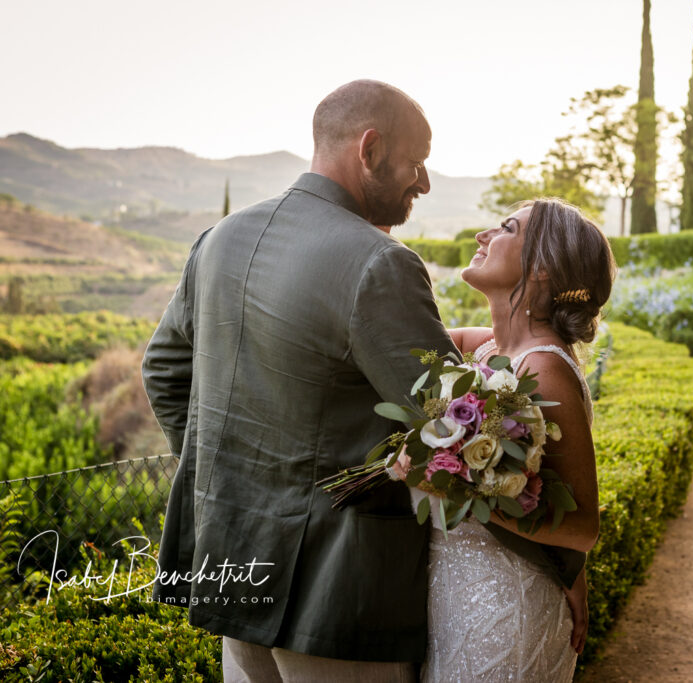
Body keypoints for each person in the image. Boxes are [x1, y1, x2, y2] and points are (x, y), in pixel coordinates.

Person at [142, 80, 459, 682]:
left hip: (230, 565)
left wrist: (221, 471)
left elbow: (163, 369)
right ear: (369, 150)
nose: (424, 182)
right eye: (416, 163)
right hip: (338, 587)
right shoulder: (380, 262)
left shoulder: (219, 238)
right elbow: (451, 418)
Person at [394, 198, 616, 682]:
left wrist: (448, 482)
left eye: (505, 228)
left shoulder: (544, 367)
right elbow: (400, 336)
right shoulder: (493, 347)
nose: (483, 236)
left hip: (501, 607)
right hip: (453, 593)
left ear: (542, 268)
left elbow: (581, 528)